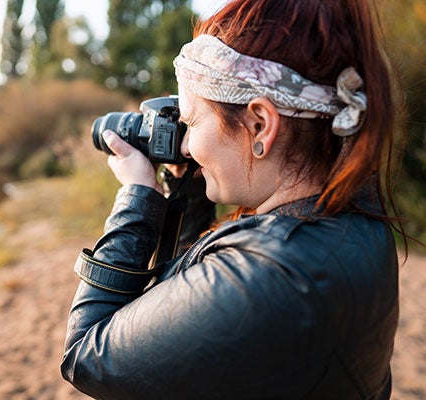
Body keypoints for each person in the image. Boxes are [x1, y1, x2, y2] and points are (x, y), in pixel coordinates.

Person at [61, 0, 403, 398]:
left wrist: (136, 198)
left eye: (190, 122)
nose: (185, 146)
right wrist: (184, 190)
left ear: (259, 125)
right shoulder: (355, 224)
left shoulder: (271, 276)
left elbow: (85, 356)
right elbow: (193, 290)